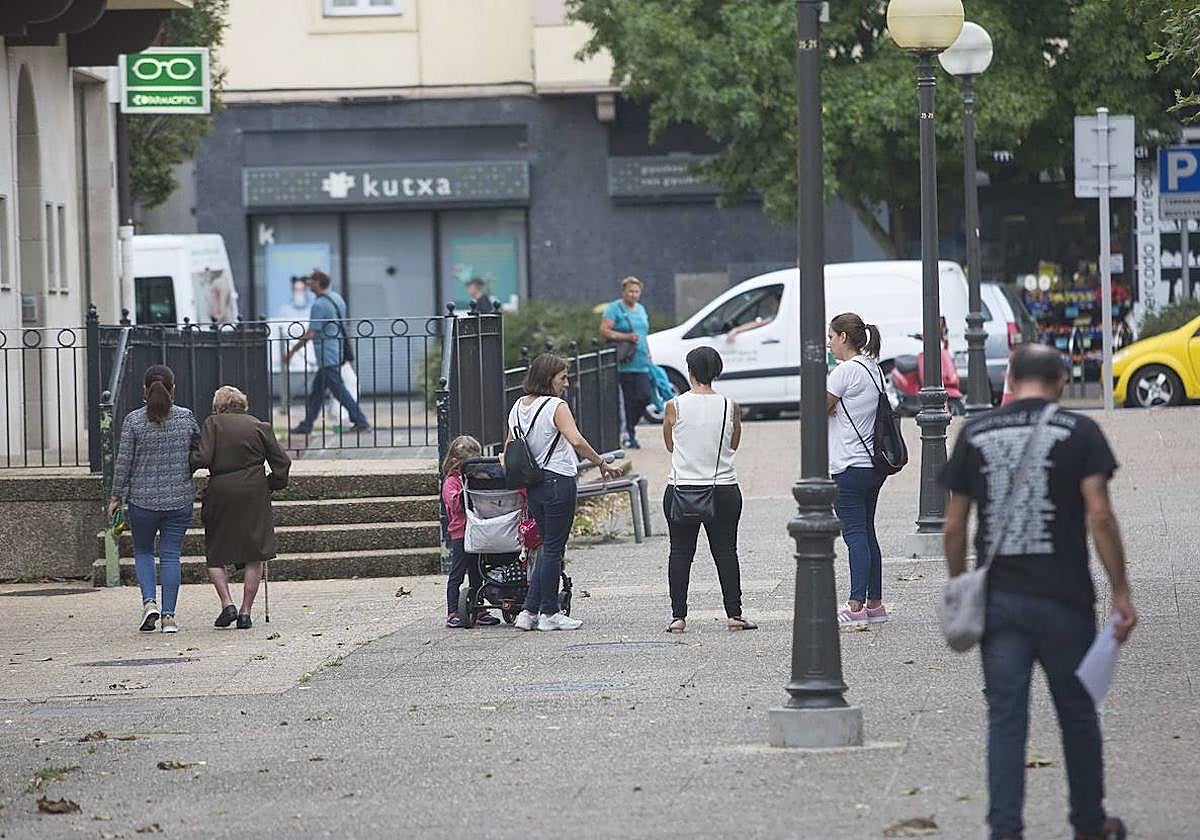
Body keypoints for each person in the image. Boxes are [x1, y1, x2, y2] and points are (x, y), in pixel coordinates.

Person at [942, 343, 1136, 840]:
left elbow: (954, 526)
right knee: (1077, 713)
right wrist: (1120, 590)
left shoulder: (975, 432)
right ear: (1061, 382)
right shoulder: (1081, 432)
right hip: (1065, 598)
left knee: (1006, 718)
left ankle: (1005, 829)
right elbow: (1099, 515)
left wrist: (961, 585)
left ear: (1010, 380)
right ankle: (1089, 824)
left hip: (999, 601)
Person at [505, 354, 623, 632]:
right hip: (558, 480)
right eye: (563, 378)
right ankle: (549, 612)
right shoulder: (556, 406)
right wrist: (601, 463)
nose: (566, 383)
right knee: (553, 549)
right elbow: (576, 440)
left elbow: (508, 446)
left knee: (546, 548)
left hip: (534, 484)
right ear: (548, 379)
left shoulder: (518, 406)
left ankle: (528, 612)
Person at [662, 347, 756, 633]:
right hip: (723, 488)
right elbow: (733, 445)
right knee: (726, 552)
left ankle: (678, 617)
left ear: (690, 370)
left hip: (682, 488)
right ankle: (734, 614)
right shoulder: (730, 405)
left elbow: (669, 445)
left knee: (680, 552)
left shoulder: (674, 405)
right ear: (717, 372)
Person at [189, 386, 291, 630]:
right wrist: (271, 484)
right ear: (242, 404)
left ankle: (227, 604)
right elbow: (282, 462)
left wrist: (189, 456)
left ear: (219, 406)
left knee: (216, 550)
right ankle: (246, 611)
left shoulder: (213, 424)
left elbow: (202, 458)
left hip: (221, 490)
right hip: (254, 491)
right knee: (255, 552)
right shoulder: (259, 426)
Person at [108, 365, 200, 634]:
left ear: (144, 390)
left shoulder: (133, 421)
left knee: (144, 552)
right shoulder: (186, 418)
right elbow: (199, 452)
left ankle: (149, 603)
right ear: (173, 389)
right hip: (179, 499)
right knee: (171, 555)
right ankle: (169, 617)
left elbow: (123, 462)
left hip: (142, 501)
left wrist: (116, 495)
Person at [825, 312, 889, 628]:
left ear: (843, 337)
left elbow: (818, 408)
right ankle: (875, 604)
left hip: (848, 465)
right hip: (872, 465)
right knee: (867, 532)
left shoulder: (844, 371)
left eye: (831, 337)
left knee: (854, 535)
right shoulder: (873, 368)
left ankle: (855, 605)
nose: (829, 344)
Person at [283, 269, 370, 436]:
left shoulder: (319, 305)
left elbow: (310, 333)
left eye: (310, 280)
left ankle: (361, 421)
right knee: (317, 392)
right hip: (337, 350)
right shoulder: (337, 298)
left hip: (326, 354)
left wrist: (291, 352)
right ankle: (307, 424)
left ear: (318, 282)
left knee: (339, 391)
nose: (308, 283)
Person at [440, 434, 501, 629]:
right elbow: (454, 504)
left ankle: (478, 607)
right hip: (461, 532)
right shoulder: (451, 481)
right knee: (457, 573)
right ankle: (452, 611)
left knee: (477, 571)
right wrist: (465, 491)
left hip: (478, 530)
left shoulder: (474, 477)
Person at [599, 276, 652, 449]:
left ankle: (631, 426)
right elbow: (604, 330)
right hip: (625, 363)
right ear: (623, 292)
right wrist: (626, 336)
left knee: (645, 396)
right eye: (630, 291)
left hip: (642, 361)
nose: (634, 295)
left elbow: (644, 335)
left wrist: (649, 357)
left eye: (637, 291)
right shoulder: (614, 308)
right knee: (629, 400)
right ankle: (629, 433)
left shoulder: (641, 309)